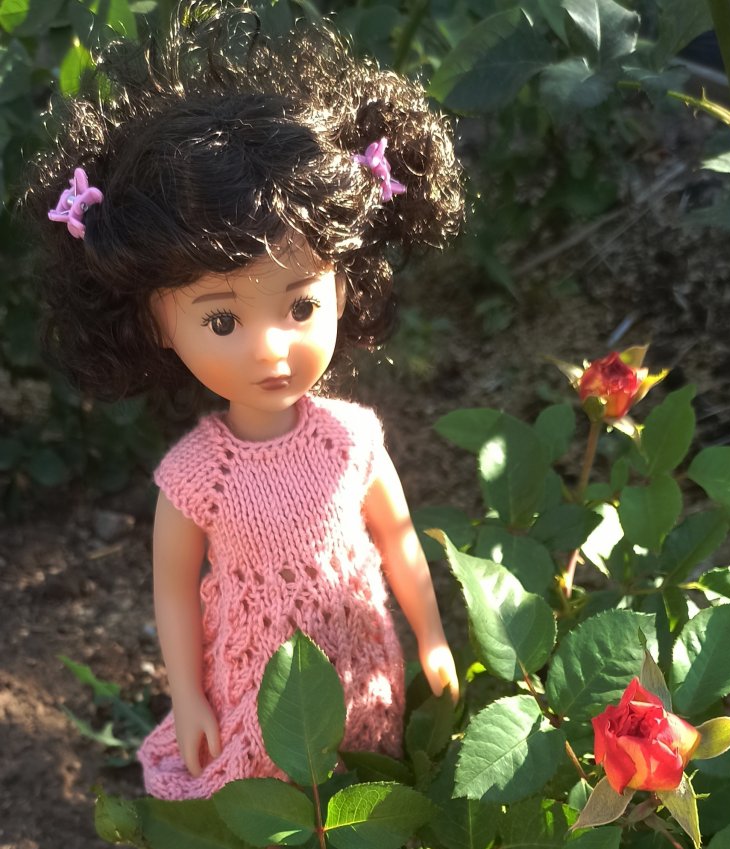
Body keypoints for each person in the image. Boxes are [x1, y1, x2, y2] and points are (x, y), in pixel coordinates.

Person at [29, 2, 463, 800]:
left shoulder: (352, 440)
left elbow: (399, 543)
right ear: (158, 324)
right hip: (255, 682)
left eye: (300, 306)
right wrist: (189, 695)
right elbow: (172, 590)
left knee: (367, 783)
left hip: (361, 660)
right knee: (265, 801)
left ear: (342, 289)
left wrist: (431, 636)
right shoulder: (199, 475)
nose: (269, 348)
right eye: (222, 320)